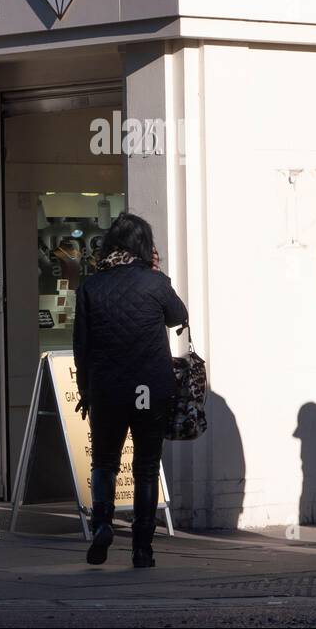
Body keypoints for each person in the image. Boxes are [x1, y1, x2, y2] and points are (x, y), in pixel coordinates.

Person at [73, 213, 187, 568]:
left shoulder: (91, 287)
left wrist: (85, 390)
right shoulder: (154, 283)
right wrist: (158, 275)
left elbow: (82, 345)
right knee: (147, 467)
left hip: (107, 388)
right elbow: (178, 316)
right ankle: (142, 547)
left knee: (104, 463)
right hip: (149, 389)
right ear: (144, 245)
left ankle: (103, 524)